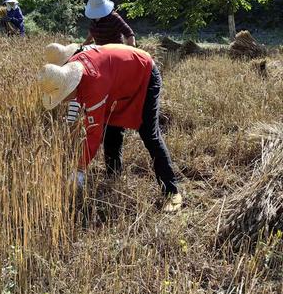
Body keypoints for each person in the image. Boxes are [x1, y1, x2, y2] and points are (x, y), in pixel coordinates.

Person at [38, 43, 182, 212]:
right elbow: (77, 107)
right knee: (111, 127)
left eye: (62, 97)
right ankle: (113, 175)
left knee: (149, 134)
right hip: (118, 79)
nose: (62, 100)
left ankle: (172, 192)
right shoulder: (72, 70)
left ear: (70, 86)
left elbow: (94, 132)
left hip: (144, 73)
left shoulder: (93, 84)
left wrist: (79, 168)